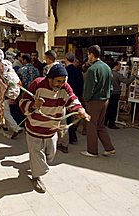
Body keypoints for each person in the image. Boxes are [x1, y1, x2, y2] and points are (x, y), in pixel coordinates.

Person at [20, 64, 91, 193]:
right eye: (58, 81)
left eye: (64, 81)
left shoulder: (64, 86)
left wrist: (80, 110)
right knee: (37, 155)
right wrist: (33, 105)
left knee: (50, 155)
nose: (61, 84)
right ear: (50, 78)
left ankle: (35, 165)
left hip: (52, 129)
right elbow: (23, 102)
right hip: (34, 129)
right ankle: (36, 177)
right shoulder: (37, 84)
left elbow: (72, 99)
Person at [82, 45, 115, 157]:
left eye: (88, 54)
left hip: (94, 101)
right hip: (105, 99)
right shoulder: (107, 67)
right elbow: (111, 86)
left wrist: (86, 100)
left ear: (91, 54)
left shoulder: (92, 69)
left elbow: (88, 89)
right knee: (100, 125)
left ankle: (92, 151)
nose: (88, 57)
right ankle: (109, 148)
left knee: (91, 125)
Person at [57, 53, 84, 153]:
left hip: (66, 99)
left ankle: (65, 142)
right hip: (75, 98)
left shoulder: (65, 72)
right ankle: (73, 138)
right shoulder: (78, 71)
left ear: (66, 59)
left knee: (65, 121)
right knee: (70, 119)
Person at [105, 61, 136, 129]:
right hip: (115, 93)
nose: (120, 67)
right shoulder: (117, 75)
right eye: (119, 66)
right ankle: (111, 124)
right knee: (113, 108)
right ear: (116, 66)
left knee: (108, 108)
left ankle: (105, 122)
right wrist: (133, 76)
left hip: (108, 93)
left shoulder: (107, 73)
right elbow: (127, 81)